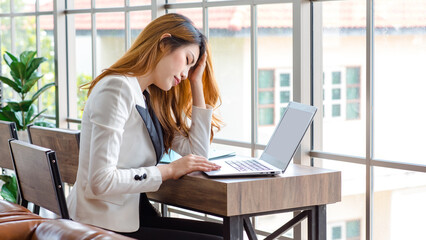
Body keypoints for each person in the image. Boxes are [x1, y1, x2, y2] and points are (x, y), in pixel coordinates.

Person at [67, 13, 224, 240]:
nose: (185, 73)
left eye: (191, 68)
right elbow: (100, 181)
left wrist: (196, 82)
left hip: (131, 215)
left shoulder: (149, 95)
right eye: (187, 60)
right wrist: (168, 171)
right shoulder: (118, 88)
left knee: (225, 233)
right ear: (163, 43)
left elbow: (198, 154)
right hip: (103, 224)